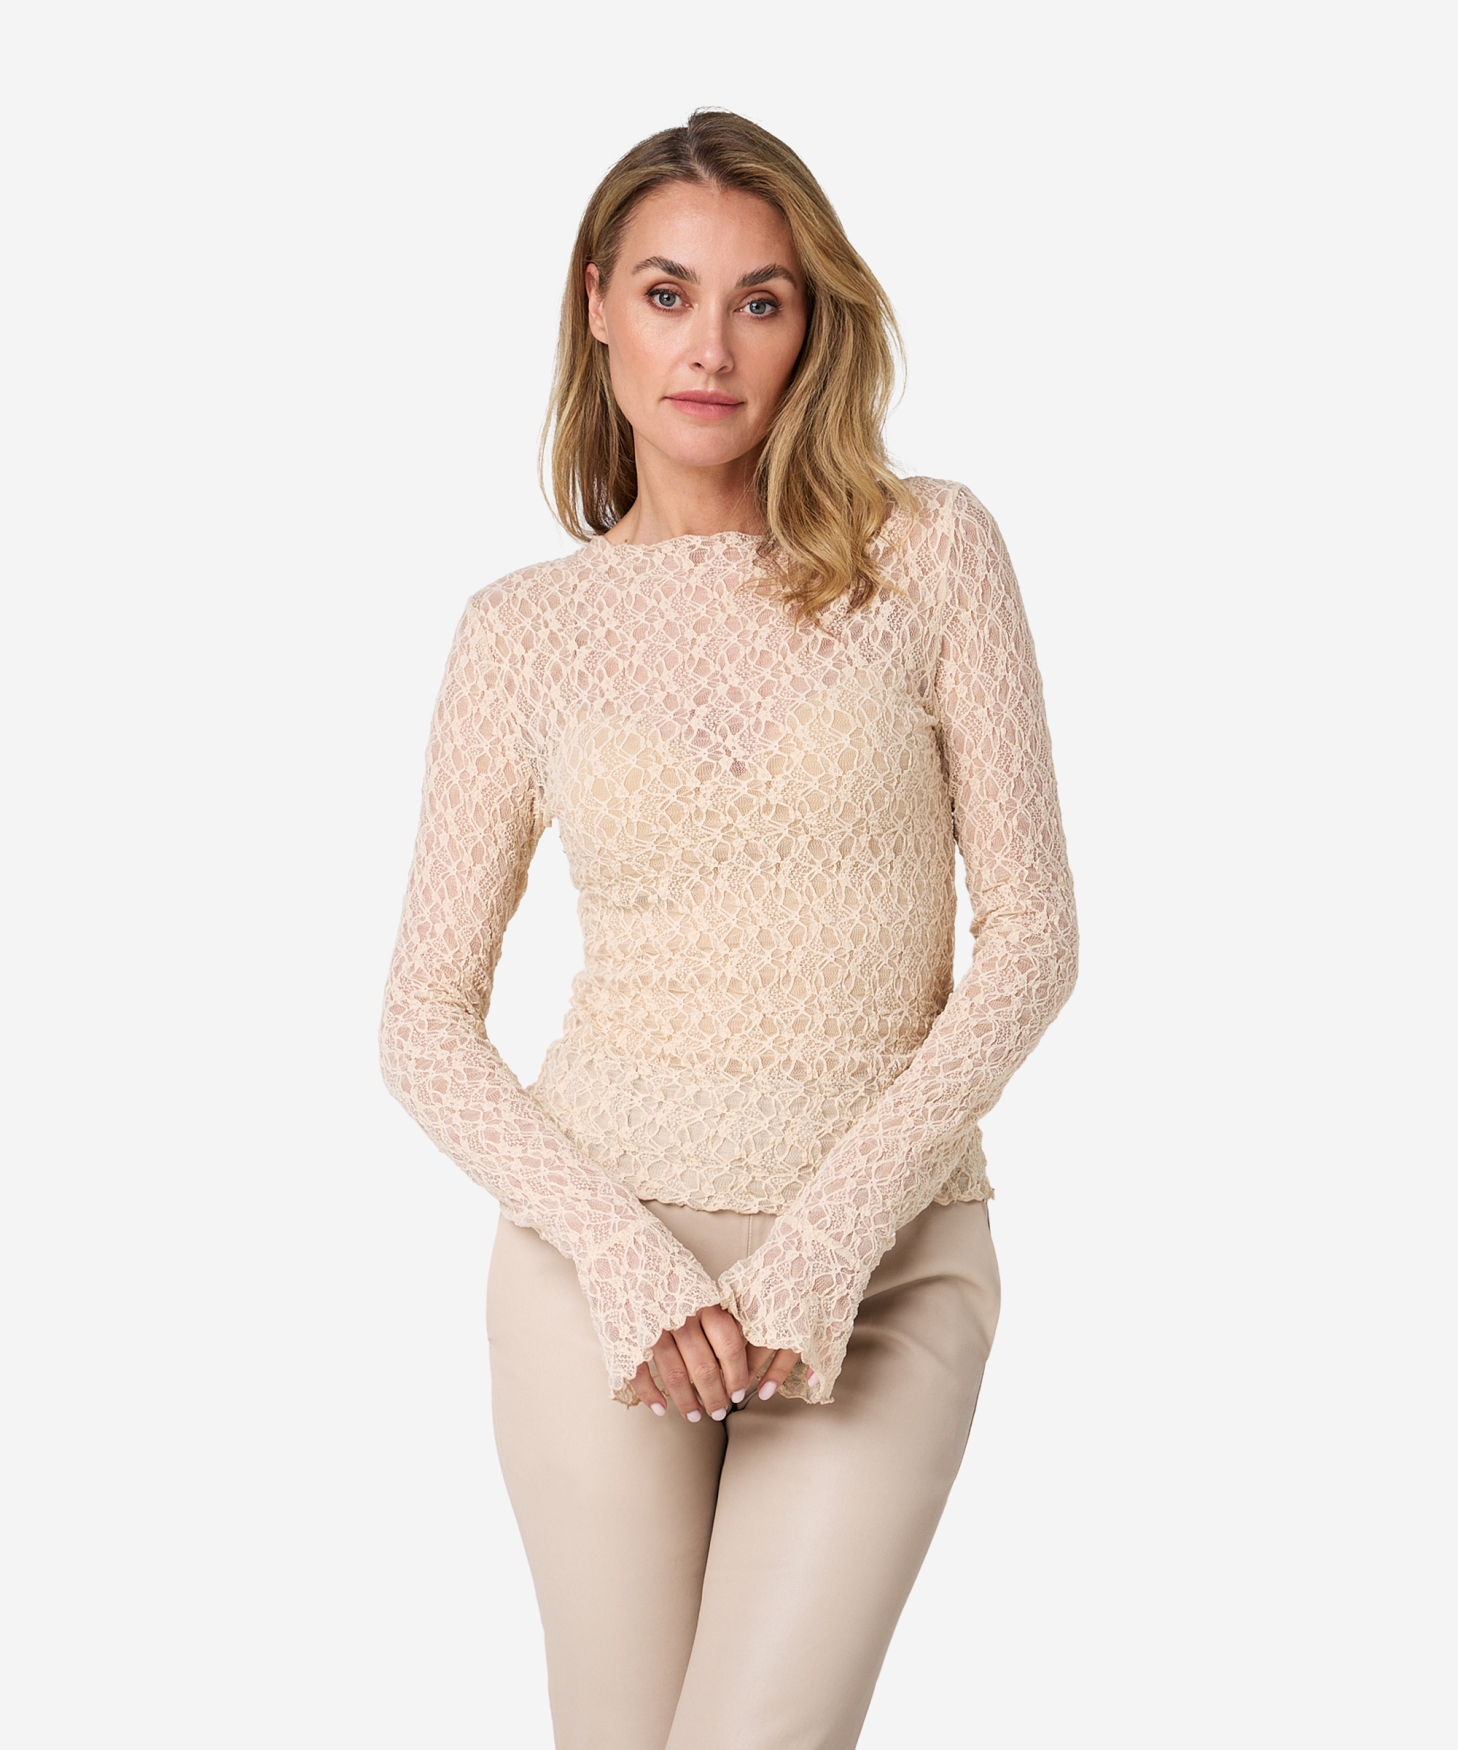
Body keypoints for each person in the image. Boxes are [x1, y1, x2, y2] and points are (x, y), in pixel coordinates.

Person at [379, 107, 1078, 1750]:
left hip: (882, 1258)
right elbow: (420, 1017)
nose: (710, 347)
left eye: (760, 301)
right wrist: (622, 1258)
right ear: (596, 305)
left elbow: (1034, 938)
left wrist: (825, 1248)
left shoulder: (929, 551)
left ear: (811, 324)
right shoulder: (521, 631)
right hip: (599, 1271)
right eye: (668, 293)